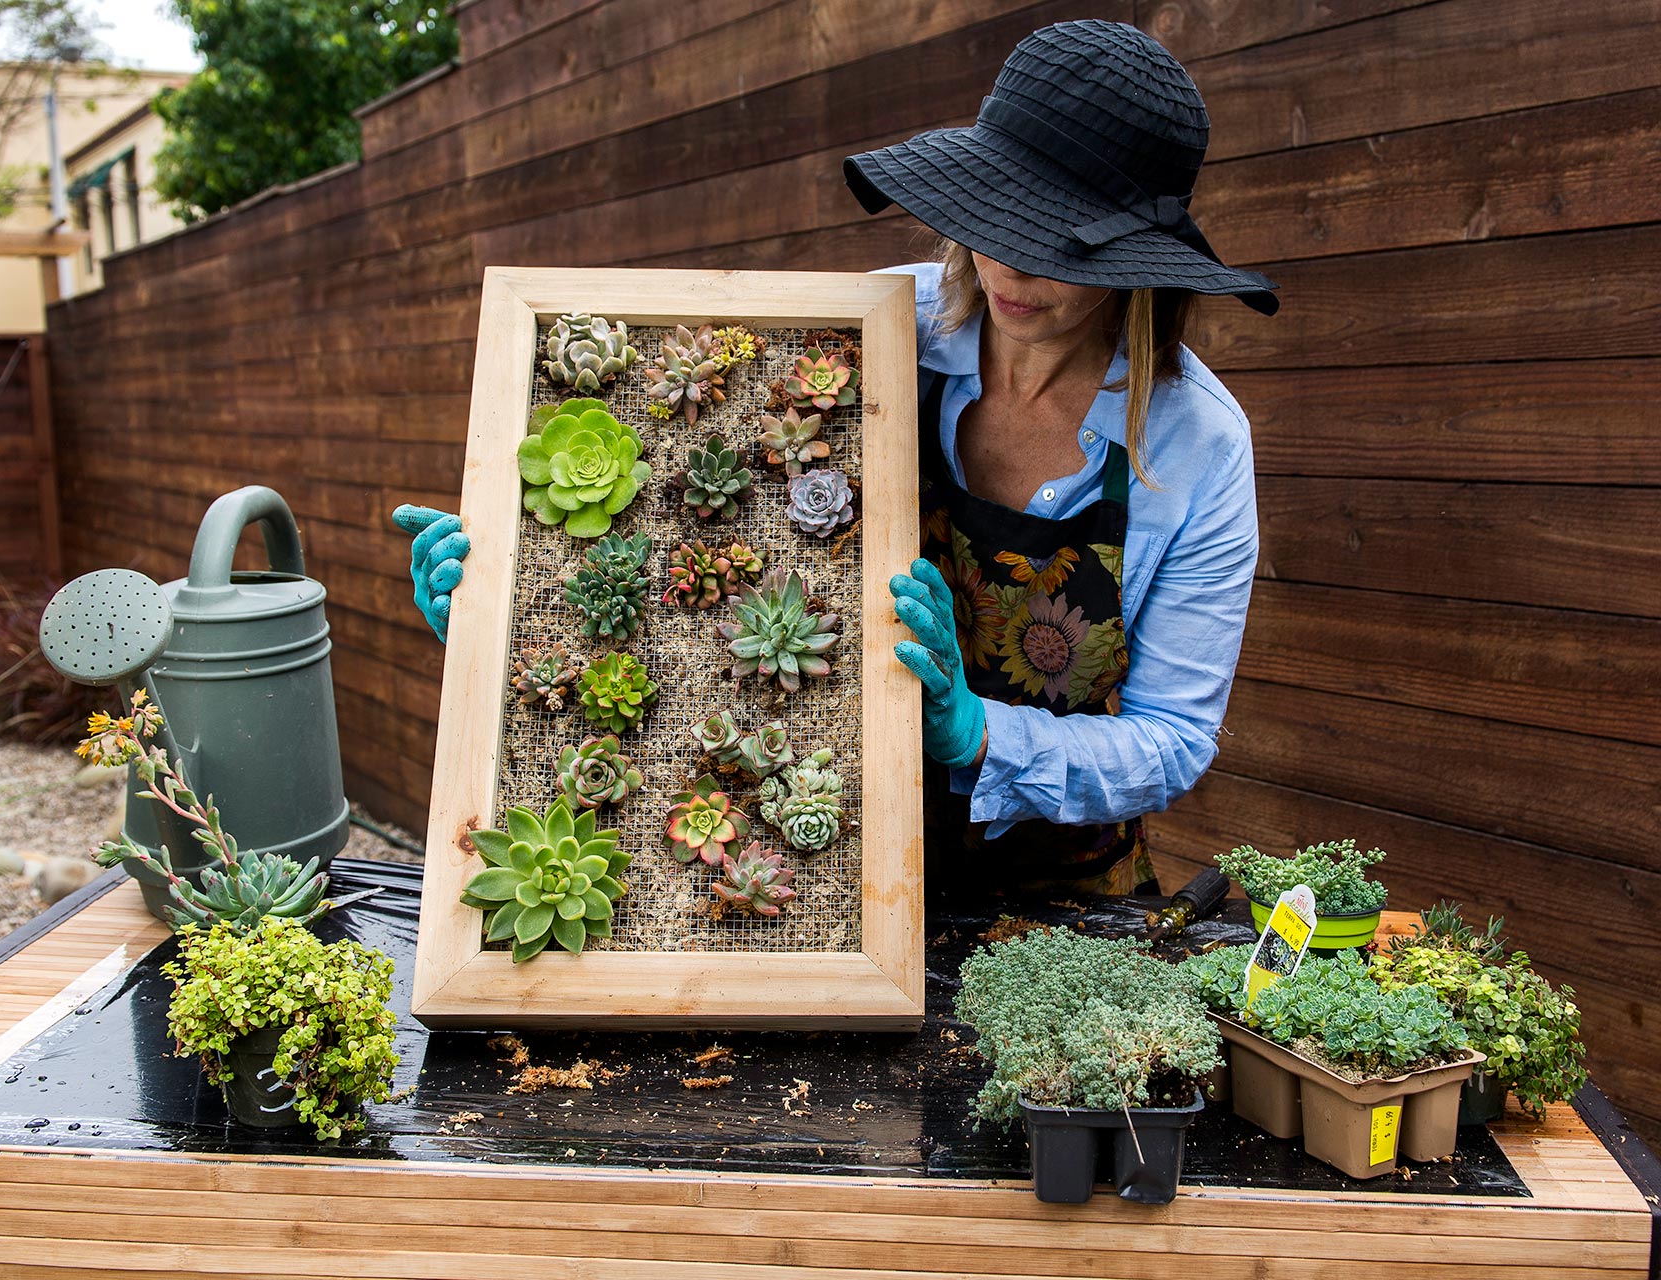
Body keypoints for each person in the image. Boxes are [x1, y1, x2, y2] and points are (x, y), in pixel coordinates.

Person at [395, 20, 1276, 900]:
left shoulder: (1198, 446)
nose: (1007, 265)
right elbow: (702, 531)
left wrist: (977, 735)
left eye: (1059, 247)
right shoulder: (879, 333)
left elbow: (1173, 739)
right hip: (821, 867)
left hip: (1062, 894)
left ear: (1137, 262)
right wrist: (510, 609)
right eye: (994, 218)